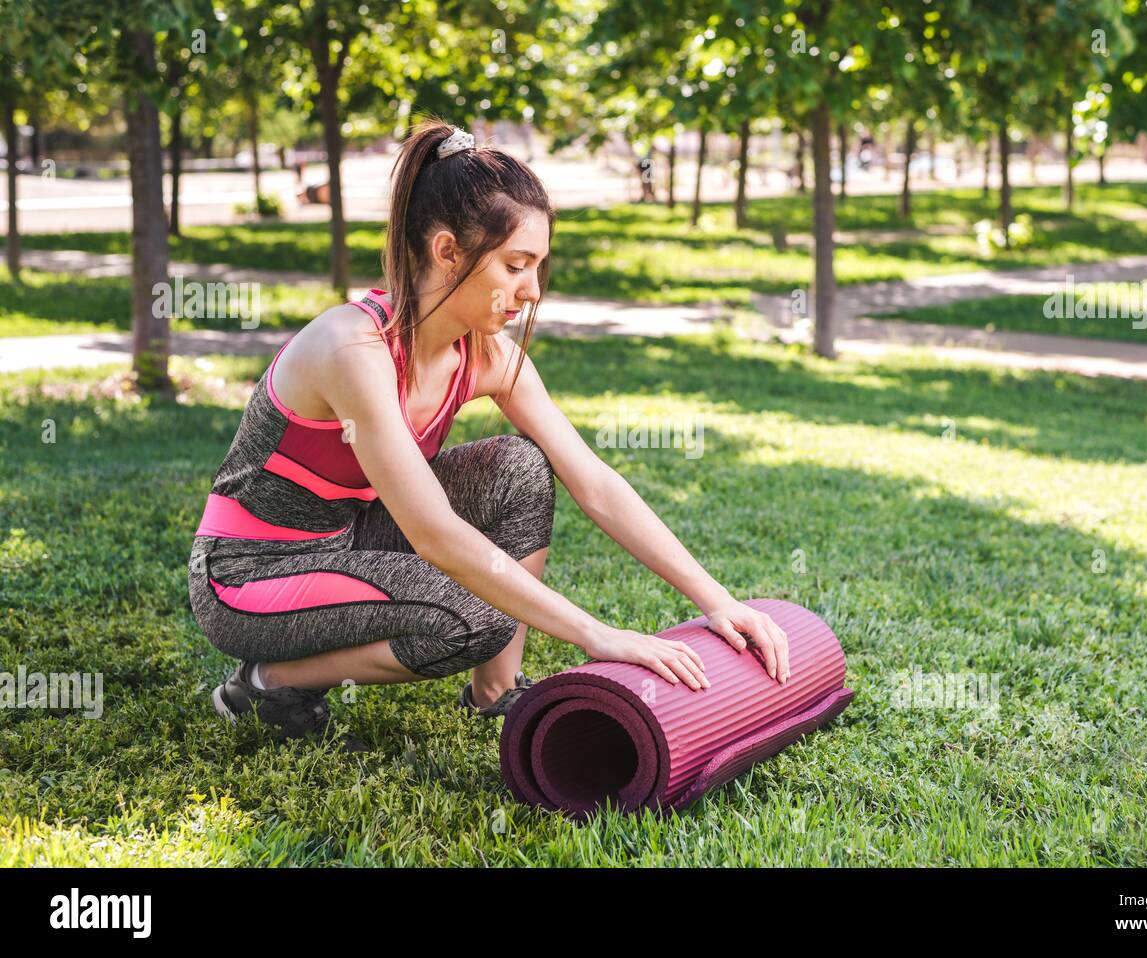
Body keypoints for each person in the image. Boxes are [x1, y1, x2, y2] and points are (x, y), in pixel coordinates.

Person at [187, 119, 791, 749]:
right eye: (515, 265)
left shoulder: (488, 356)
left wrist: (718, 601)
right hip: (249, 576)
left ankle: (497, 692)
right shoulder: (352, 347)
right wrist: (596, 634)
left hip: (350, 537)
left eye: (538, 267)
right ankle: (269, 682)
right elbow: (436, 536)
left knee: (522, 469)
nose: (530, 292)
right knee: (471, 617)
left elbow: (595, 484)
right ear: (447, 251)